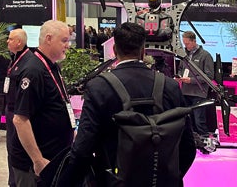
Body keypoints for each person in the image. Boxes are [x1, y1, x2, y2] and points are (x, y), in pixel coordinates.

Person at [67, 22, 196, 186]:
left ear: (114, 50)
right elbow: (188, 147)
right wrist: (169, 177)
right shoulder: (170, 86)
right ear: (143, 51)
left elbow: (82, 149)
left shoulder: (98, 87)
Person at [11, 20, 74, 187]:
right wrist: (37, 159)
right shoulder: (33, 71)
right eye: (64, 40)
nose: (67, 45)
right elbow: (20, 120)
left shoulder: (52, 66)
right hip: (34, 166)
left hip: (52, 159)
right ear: (48, 39)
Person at [4, 28, 34, 187]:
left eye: (10, 39)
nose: (7, 41)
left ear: (19, 42)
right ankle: (12, 181)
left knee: (17, 149)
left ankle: (16, 182)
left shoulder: (28, 62)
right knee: (11, 148)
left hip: (19, 113)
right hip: (10, 110)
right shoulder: (15, 58)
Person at [176, 30, 214, 135]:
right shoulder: (184, 55)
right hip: (185, 92)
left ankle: (205, 139)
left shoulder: (205, 55)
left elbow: (209, 76)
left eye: (187, 43)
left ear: (194, 41)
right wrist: (179, 76)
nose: (186, 46)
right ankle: (191, 141)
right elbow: (181, 69)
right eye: (184, 43)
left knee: (199, 121)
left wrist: (191, 80)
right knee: (187, 120)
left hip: (199, 94)